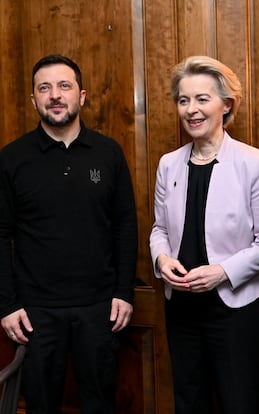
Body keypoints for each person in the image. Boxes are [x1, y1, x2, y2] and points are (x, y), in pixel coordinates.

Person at [0, 54, 138, 413]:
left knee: (99, 405)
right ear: (33, 100)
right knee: (41, 405)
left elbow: (125, 226)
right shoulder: (12, 159)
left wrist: (124, 292)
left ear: (82, 95)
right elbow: (0, 234)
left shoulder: (108, 153)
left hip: (100, 309)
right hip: (35, 313)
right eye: (44, 88)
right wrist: (7, 304)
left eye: (64, 86)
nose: (55, 95)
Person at [150, 55, 259, 414]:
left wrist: (221, 272)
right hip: (182, 311)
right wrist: (162, 258)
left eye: (202, 99)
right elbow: (159, 229)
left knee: (240, 402)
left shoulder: (254, 163)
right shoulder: (168, 164)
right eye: (184, 99)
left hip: (235, 311)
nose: (192, 109)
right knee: (189, 402)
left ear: (226, 104)